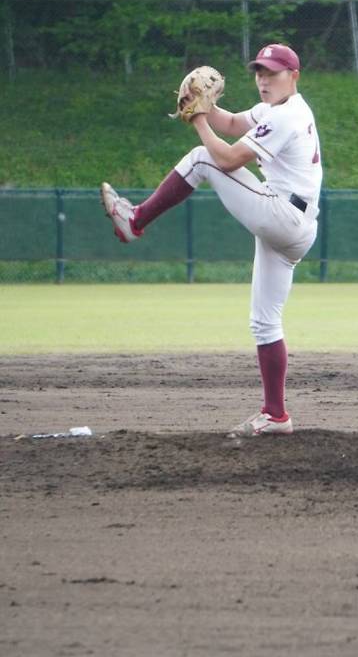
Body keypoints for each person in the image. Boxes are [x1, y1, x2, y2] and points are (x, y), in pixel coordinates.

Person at [100, 43, 322, 437]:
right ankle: (276, 415)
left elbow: (228, 159)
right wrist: (205, 106)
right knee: (264, 323)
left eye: (272, 72)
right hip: (291, 223)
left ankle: (135, 221)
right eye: (259, 71)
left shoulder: (288, 115)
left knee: (203, 158)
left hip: (284, 215)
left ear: (294, 76)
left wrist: (200, 120)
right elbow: (235, 123)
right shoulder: (273, 110)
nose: (263, 79)